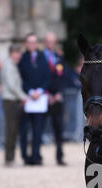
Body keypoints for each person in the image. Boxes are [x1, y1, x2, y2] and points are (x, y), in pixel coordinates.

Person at [18, 33, 51, 165]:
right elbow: (21, 78)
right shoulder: (22, 59)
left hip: (40, 98)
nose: (32, 44)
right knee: (25, 130)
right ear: (26, 44)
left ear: (37, 44)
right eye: (29, 42)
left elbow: (47, 77)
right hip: (27, 98)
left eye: (34, 42)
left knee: (38, 130)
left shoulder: (43, 57)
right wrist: (30, 91)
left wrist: (40, 90)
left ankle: (36, 156)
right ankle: (25, 156)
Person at [0, 43, 28, 166]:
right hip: (10, 100)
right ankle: (8, 158)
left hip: (13, 100)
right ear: (11, 53)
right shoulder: (8, 67)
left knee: (13, 129)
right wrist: (24, 97)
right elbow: (12, 86)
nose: (19, 55)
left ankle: (10, 157)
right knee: (10, 129)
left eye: (19, 53)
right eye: (16, 53)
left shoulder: (12, 66)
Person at [43, 32, 67, 165]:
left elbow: (63, 77)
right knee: (38, 127)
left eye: (53, 41)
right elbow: (38, 77)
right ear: (45, 42)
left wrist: (59, 93)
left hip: (57, 98)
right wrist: (46, 93)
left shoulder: (59, 57)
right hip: (44, 97)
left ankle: (60, 156)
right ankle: (36, 156)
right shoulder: (40, 57)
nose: (50, 44)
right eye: (48, 41)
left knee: (59, 129)